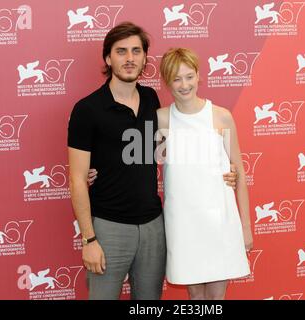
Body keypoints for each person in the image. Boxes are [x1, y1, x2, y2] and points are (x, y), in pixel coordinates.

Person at [68, 22, 237, 300]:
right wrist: (89, 239)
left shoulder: (150, 99)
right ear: (108, 58)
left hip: (153, 227)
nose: (130, 58)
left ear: (145, 58)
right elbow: (76, 178)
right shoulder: (87, 109)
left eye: (136, 51)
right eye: (121, 51)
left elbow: (173, 149)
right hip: (110, 228)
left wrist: (223, 166)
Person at [157, 48, 253, 300]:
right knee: (195, 297)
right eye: (176, 79)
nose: (184, 84)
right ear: (167, 82)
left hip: (219, 219)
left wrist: (246, 228)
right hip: (183, 222)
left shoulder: (221, 116)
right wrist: (95, 169)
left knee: (216, 298)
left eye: (189, 76)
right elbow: (131, 160)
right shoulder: (161, 119)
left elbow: (239, 172)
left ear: (199, 75)